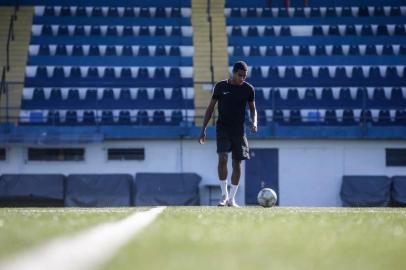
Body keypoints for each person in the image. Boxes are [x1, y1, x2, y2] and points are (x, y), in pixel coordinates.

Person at [198, 61, 257, 207]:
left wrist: (255, 122)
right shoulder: (221, 86)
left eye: (244, 76)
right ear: (234, 73)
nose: (242, 78)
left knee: (237, 163)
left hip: (239, 131)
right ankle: (224, 195)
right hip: (223, 128)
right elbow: (210, 108)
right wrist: (203, 129)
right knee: (223, 157)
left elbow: (253, 109)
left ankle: (231, 198)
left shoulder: (249, 89)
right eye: (240, 75)